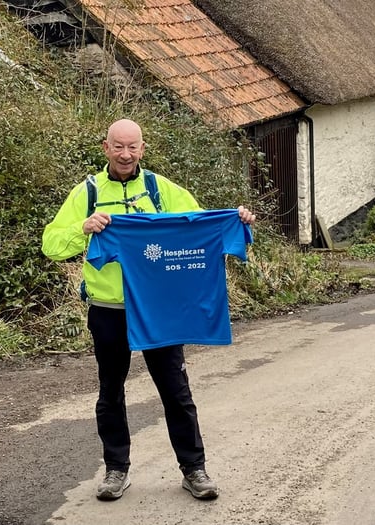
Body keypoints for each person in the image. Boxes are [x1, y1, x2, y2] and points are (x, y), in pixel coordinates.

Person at [41, 119, 256, 501]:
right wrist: (84, 228)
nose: (125, 154)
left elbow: (198, 226)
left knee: (175, 389)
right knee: (111, 391)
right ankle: (115, 470)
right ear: (105, 147)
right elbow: (51, 245)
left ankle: (195, 469)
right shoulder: (87, 192)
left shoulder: (160, 189)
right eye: (118, 147)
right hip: (109, 308)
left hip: (158, 308)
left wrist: (234, 222)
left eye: (132, 147)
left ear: (143, 148)